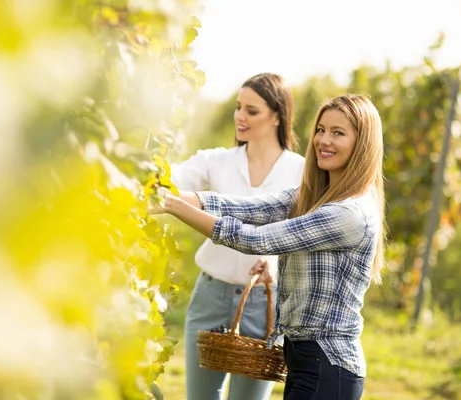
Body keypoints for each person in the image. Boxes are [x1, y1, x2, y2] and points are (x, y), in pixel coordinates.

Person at [155, 94, 385, 400]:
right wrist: (163, 195)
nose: (323, 140)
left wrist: (173, 207)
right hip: (306, 360)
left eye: (338, 133)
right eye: (321, 129)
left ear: (363, 144)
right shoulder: (315, 195)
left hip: (328, 367)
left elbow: (256, 240)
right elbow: (249, 209)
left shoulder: (349, 213)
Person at [169, 73, 305, 400]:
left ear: (276, 115)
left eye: (252, 111)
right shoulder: (217, 160)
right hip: (210, 296)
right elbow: (170, 180)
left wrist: (277, 264)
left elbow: (306, 235)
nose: (240, 117)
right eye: (238, 107)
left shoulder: (300, 170)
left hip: (265, 302)